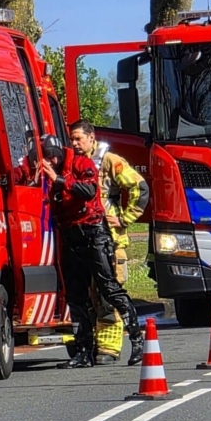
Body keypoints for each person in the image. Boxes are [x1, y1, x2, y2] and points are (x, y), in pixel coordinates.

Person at [39, 134, 144, 369]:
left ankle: (137, 341)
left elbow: (90, 191)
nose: (49, 162)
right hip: (70, 236)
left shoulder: (87, 163)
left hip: (96, 234)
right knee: (75, 297)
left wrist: (125, 218)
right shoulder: (48, 165)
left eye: (79, 138)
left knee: (109, 290)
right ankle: (84, 352)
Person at [68, 120, 149, 366]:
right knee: (85, 295)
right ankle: (87, 345)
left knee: (107, 296)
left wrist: (124, 218)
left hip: (110, 241)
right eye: (71, 139)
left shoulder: (109, 160)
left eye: (78, 139)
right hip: (82, 239)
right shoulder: (70, 163)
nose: (74, 144)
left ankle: (109, 348)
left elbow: (139, 187)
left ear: (91, 138)